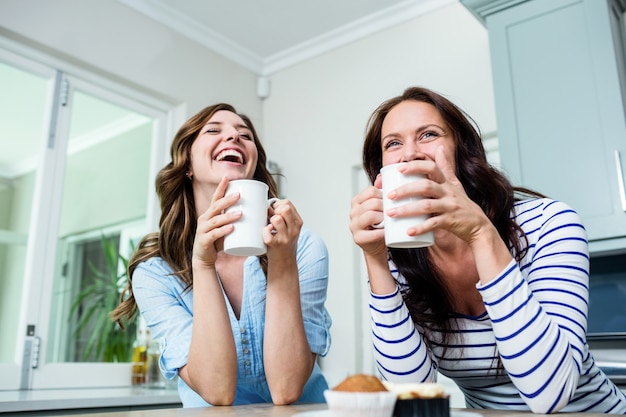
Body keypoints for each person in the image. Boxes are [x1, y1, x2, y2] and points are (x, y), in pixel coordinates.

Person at [349, 86, 626, 414]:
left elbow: (551, 394)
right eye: (393, 143)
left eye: (428, 134)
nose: (409, 154)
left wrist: (480, 233)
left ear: (461, 150)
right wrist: (376, 259)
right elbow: (411, 391)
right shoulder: (403, 259)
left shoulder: (549, 223)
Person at [111, 103, 331, 407]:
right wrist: (202, 264)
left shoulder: (303, 248)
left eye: (245, 135)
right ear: (187, 164)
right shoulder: (154, 272)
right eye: (214, 130)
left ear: (253, 166)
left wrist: (282, 262)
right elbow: (217, 391)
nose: (234, 137)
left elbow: (287, 389)